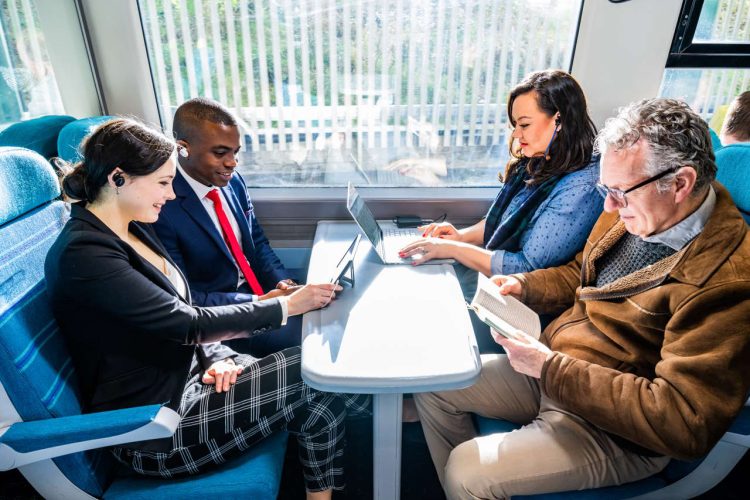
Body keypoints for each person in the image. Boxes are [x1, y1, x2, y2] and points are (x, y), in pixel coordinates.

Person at [414, 98, 750, 499]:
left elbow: (682, 421)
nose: (608, 206)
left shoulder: (727, 281)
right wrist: (524, 285)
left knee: (469, 472)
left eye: (620, 193)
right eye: (605, 189)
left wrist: (551, 367)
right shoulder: (634, 203)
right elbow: (582, 273)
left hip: (614, 430)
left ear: (680, 184)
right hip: (555, 370)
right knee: (434, 384)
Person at [45, 118, 368, 500]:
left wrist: (220, 357)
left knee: (320, 397)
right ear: (118, 178)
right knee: (310, 369)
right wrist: (286, 305)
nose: (170, 194)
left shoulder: (133, 226)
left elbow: (177, 310)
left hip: (193, 384)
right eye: (163, 183)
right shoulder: (85, 254)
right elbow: (183, 322)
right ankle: (395, 410)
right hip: (153, 428)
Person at [400, 70, 603, 352]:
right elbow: (503, 221)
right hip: (492, 286)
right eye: (514, 126)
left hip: (520, 308)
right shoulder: (541, 160)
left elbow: (527, 268)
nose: (517, 135)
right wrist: (460, 238)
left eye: (524, 124)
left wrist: (454, 250)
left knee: (428, 320)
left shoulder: (581, 186)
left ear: (559, 119)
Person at [152, 97, 306, 357]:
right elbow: (187, 295)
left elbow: (257, 243)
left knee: (330, 311)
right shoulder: (163, 207)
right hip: (225, 317)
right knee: (310, 338)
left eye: (235, 153)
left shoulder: (233, 183)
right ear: (183, 149)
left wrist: (282, 283)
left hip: (263, 293)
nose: (233, 163)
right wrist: (264, 303)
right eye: (221, 153)